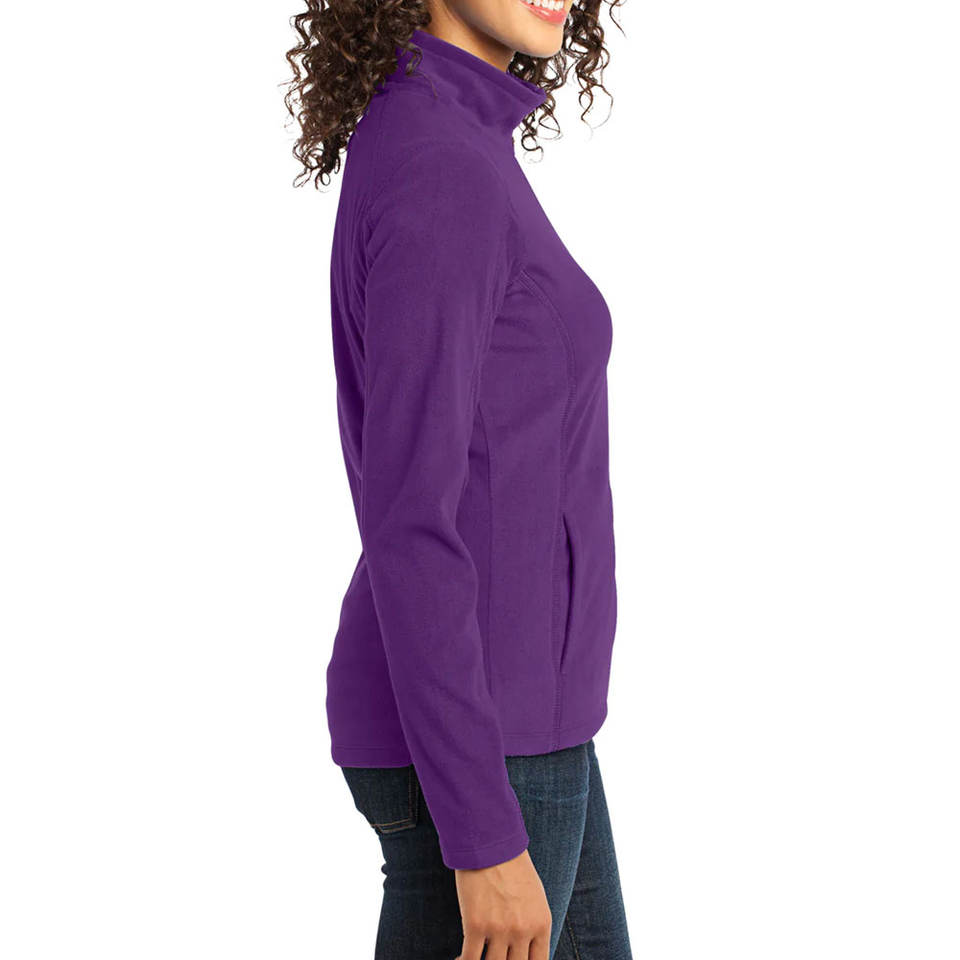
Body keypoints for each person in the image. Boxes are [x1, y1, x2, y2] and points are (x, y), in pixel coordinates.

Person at [286, 2, 632, 957]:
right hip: (485, 740)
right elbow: (409, 513)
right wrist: (481, 837)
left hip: (528, 720)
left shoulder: (454, 134)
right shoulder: (441, 164)